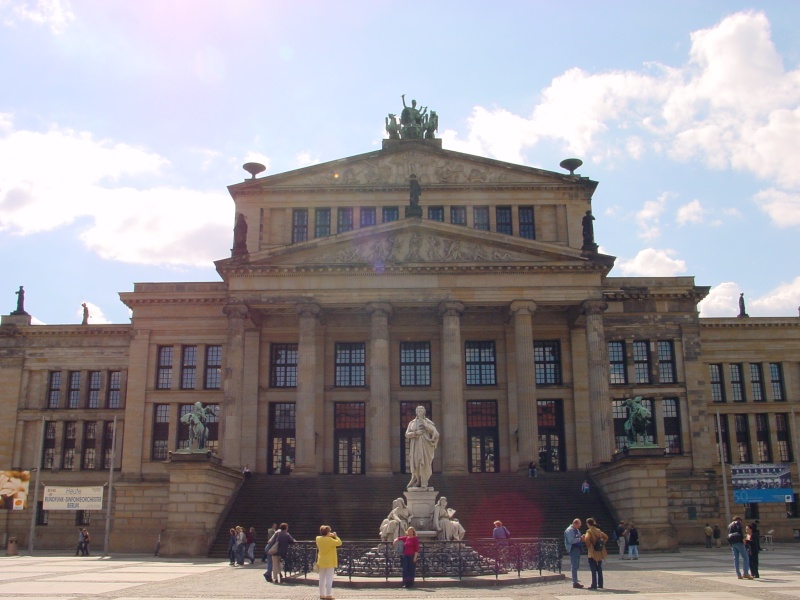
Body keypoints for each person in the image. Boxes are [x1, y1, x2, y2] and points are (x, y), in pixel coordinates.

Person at [405, 405, 439, 489]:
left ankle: (424, 481)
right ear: (416, 412)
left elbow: (435, 433)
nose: (420, 412)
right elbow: (407, 434)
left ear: (424, 412)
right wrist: (416, 433)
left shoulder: (428, 422)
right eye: (418, 411)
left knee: (425, 463)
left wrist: (425, 426)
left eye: (421, 411)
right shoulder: (411, 423)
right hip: (415, 445)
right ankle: (417, 480)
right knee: (416, 463)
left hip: (426, 445)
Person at [315, 525, 342, 600]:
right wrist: (336, 536)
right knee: (329, 579)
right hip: (330, 561)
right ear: (328, 532)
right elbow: (339, 543)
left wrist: (328, 534)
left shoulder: (318, 539)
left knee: (321, 579)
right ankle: (328, 594)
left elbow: (322, 538)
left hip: (321, 561)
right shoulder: (330, 540)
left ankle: (321, 594)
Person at [583, 517, 608, 590]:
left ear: (588, 524)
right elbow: (606, 537)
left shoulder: (589, 531)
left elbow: (587, 539)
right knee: (599, 568)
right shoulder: (598, 530)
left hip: (592, 552)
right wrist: (601, 543)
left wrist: (589, 546)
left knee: (593, 569)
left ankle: (593, 584)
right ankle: (600, 584)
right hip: (599, 551)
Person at [564, 518, 584, 589]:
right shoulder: (569, 530)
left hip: (577, 548)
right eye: (578, 525)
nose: (579, 527)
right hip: (573, 549)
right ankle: (574, 582)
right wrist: (580, 539)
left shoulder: (576, 530)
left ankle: (575, 581)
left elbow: (578, 536)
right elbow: (571, 540)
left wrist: (581, 538)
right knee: (574, 565)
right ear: (575, 524)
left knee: (576, 565)